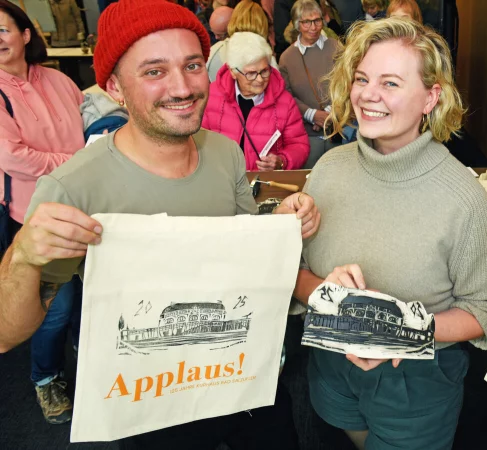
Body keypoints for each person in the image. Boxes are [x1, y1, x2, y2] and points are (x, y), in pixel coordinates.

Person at [0, 0, 320, 448]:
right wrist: (23, 259)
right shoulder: (72, 187)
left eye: (192, 65)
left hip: (243, 380)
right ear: (114, 87)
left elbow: (242, 249)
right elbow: (6, 334)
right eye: (154, 71)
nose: (182, 87)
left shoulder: (224, 152)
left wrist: (277, 225)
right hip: (152, 405)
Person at [291, 18, 487, 450]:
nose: (368, 95)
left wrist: (402, 330)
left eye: (390, 83)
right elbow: (295, 271)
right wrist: (326, 294)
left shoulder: (464, 199)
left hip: (416, 386)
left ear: (431, 97)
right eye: (362, 78)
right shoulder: (328, 169)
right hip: (330, 371)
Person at [0, 0, 86, 425]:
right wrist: (76, 161)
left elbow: (91, 122)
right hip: (37, 217)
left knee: (94, 299)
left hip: (89, 209)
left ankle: (88, 363)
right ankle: (45, 378)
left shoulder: (57, 79)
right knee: (55, 308)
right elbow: (13, 158)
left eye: (2, 30)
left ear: (26, 34)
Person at [203, 31, 309, 171]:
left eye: (264, 71)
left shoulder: (285, 102)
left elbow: (299, 145)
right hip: (221, 181)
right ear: (233, 72)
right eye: (251, 73)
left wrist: (282, 161)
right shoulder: (211, 96)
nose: (260, 80)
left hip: (264, 184)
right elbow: (197, 143)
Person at [279, 0, 342, 169]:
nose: (313, 27)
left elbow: (347, 82)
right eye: (307, 22)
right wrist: (312, 114)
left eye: (317, 20)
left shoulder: (336, 47)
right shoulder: (287, 57)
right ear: (296, 24)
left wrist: (328, 113)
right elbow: (286, 95)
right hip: (307, 134)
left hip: (337, 127)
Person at [207, 0, 277, 82]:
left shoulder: (214, 52)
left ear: (232, 21)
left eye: (219, 35)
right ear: (263, 25)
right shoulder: (268, 57)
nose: (216, 37)